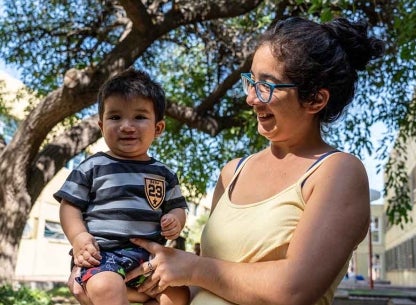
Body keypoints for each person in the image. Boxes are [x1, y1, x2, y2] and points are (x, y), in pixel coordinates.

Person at [126, 16, 384, 304]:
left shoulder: (337, 172)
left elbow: (293, 290)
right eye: (251, 81)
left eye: (266, 86)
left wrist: (192, 266)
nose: (250, 98)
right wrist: (133, 288)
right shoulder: (232, 172)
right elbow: (203, 286)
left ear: (315, 100)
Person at [54, 68, 190, 305]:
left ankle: (135, 296)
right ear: (101, 125)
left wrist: (175, 220)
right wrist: (79, 238)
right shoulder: (93, 166)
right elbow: (69, 206)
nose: (126, 126)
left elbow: (177, 208)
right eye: (115, 117)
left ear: (158, 128)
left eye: (139, 117)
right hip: (102, 256)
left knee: (178, 296)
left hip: (149, 259)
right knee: (106, 286)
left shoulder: (164, 174)